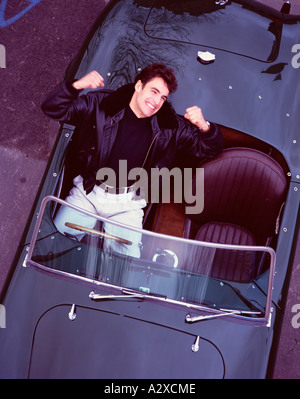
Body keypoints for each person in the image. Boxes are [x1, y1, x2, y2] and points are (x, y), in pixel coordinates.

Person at [41, 63, 223, 257]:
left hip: (128, 202)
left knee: (126, 265)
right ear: (138, 86)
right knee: (50, 245)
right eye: (153, 91)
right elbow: (52, 109)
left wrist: (205, 127)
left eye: (163, 97)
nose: (156, 101)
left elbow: (209, 148)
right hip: (88, 191)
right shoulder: (101, 104)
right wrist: (75, 86)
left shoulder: (169, 125)